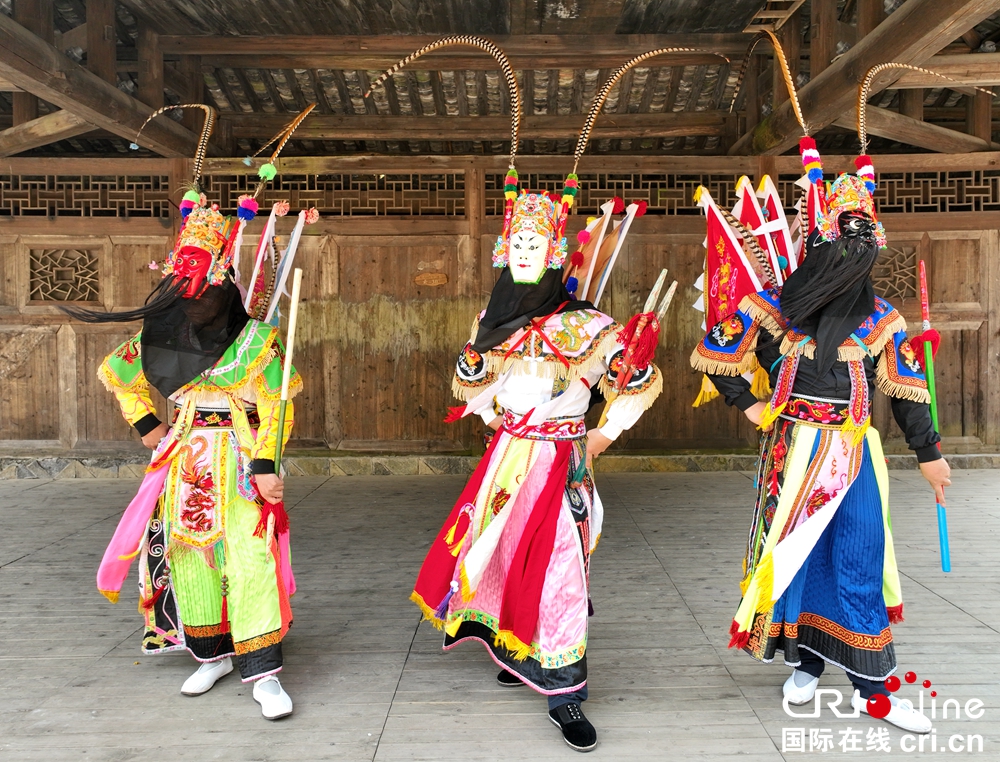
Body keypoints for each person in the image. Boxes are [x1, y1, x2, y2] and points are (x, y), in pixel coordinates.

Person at [691, 155, 950, 734]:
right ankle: (808, 660)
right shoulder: (780, 306)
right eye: (844, 241)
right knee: (797, 557)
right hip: (793, 452)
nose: (854, 254)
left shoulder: (883, 318)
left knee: (857, 555)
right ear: (821, 242)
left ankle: (872, 687)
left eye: (866, 242)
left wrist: (929, 453)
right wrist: (754, 407)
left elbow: (908, 394)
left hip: (856, 454)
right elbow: (717, 353)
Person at [410, 189, 662, 752]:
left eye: (534, 243)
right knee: (502, 556)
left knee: (561, 570)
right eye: (515, 243)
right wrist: (479, 380)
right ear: (504, 251)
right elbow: (479, 389)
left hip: (562, 459)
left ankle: (564, 692)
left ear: (553, 253)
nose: (523, 252)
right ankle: (518, 650)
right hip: (506, 458)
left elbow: (634, 383)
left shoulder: (590, 326)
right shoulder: (492, 318)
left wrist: (603, 432)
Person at [69, 184, 300, 720]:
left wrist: (267, 466)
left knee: (248, 558)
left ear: (224, 286)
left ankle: (263, 671)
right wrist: (149, 424)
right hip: (184, 460)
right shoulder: (158, 339)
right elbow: (118, 374)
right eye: (184, 289)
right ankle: (210, 653)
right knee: (190, 554)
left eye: (204, 289)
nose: (194, 301)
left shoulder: (256, 342)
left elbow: (276, 408)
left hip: (240, 458)